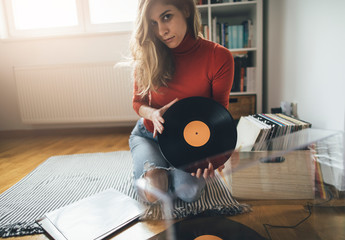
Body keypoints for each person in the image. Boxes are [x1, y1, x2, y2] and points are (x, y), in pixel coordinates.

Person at [129, 0, 234, 204]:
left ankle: (165, 170)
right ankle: (154, 169)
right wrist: (153, 114)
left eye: (166, 17)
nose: (162, 31)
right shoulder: (147, 55)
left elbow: (219, 114)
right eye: (153, 23)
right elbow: (137, 102)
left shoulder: (219, 57)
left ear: (185, 9)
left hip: (191, 142)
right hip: (151, 136)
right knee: (154, 194)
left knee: (188, 194)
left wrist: (211, 157)